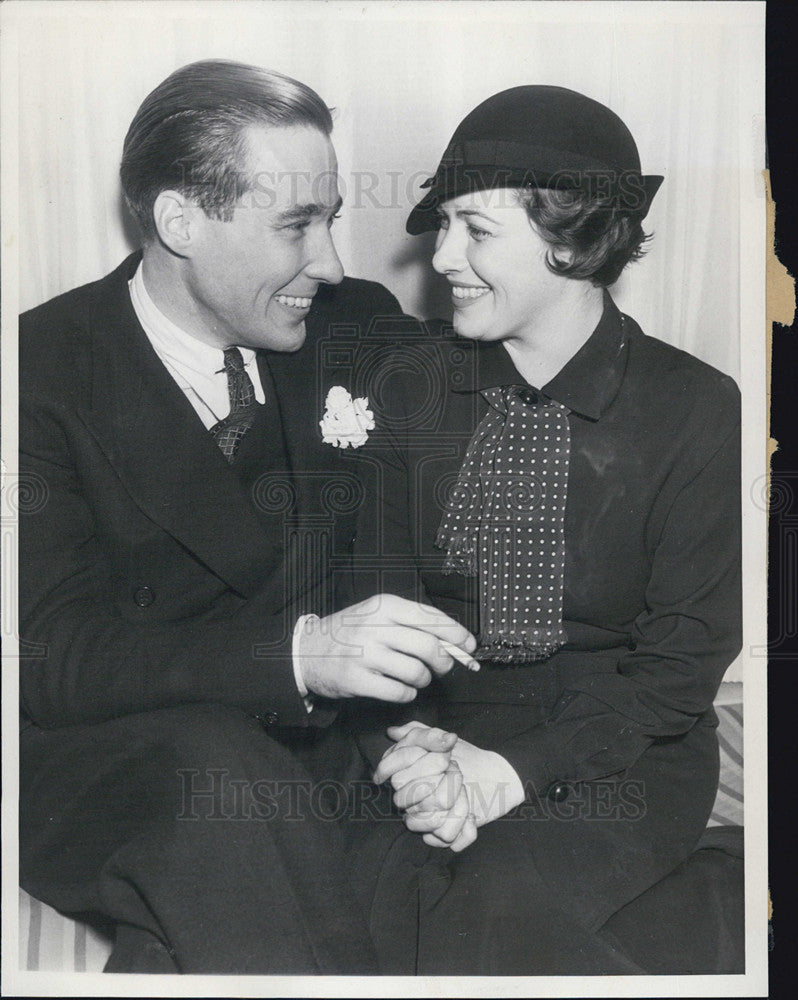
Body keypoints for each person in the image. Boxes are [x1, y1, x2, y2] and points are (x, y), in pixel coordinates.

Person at [18, 59, 476, 975]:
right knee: (216, 770)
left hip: (314, 766)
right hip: (116, 767)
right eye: (296, 226)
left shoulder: (355, 322)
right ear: (179, 220)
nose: (333, 263)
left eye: (332, 220)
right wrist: (300, 655)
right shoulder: (36, 369)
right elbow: (55, 654)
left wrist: (415, 724)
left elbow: (410, 525)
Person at [349, 86, 742, 974]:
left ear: (573, 239)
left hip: (620, 751)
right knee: (364, 905)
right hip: (433, 735)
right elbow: (372, 593)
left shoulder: (694, 410)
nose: (441, 254)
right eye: (442, 224)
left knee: (493, 907)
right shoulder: (409, 384)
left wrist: (510, 772)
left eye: (476, 231)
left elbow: (680, 667)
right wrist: (406, 746)